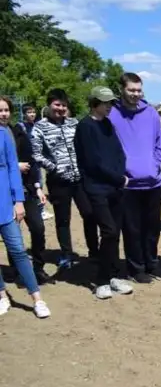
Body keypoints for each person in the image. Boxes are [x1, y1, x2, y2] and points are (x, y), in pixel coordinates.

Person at [109, 72, 161, 283]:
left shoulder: (151, 113)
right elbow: (109, 147)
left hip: (154, 182)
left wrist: (155, 164)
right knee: (132, 229)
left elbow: (160, 144)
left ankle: (152, 263)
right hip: (128, 185)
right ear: (121, 90)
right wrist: (121, 171)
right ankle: (136, 268)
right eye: (131, 90)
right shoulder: (112, 114)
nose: (135, 94)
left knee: (152, 228)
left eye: (138, 90)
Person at [74, 87, 134, 300]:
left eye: (111, 102)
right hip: (97, 188)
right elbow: (93, 163)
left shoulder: (108, 124)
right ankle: (101, 280)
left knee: (115, 232)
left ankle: (114, 276)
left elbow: (118, 152)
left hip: (116, 187)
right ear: (94, 103)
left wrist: (121, 174)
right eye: (105, 102)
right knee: (108, 231)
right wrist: (118, 178)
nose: (109, 106)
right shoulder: (85, 127)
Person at [31, 88, 98, 270]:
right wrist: (54, 167)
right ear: (49, 105)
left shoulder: (74, 123)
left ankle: (94, 251)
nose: (60, 108)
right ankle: (66, 254)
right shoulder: (40, 127)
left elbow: (84, 146)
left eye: (63, 105)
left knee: (90, 214)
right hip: (59, 181)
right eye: (57, 105)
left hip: (80, 179)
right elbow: (36, 154)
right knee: (63, 219)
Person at [0, 99, 52, 319]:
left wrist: (18, 200)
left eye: (5, 110)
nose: (3, 113)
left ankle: (37, 298)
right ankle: (2, 295)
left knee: (19, 251)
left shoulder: (5, 135)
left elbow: (13, 167)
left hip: (5, 201)